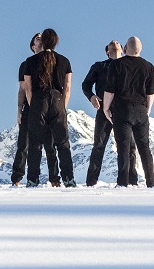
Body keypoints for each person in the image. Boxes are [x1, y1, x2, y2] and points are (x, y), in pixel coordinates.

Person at [21, 28, 77, 187]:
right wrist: (62, 107)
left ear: (42, 42)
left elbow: (27, 89)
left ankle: (33, 179)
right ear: (56, 42)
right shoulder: (65, 61)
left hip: (38, 100)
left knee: (35, 143)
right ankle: (68, 179)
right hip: (57, 100)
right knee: (63, 143)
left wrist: (33, 106)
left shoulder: (30, 61)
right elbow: (67, 88)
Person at [81, 40, 138, 187]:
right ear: (107, 52)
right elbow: (86, 84)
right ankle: (91, 182)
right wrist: (91, 96)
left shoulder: (129, 65)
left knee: (129, 146)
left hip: (124, 110)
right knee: (99, 145)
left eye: (118, 42)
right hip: (103, 110)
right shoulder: (99, 66)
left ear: (123, 50)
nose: (115, 42)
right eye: (112, 43)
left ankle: (132, 181)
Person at [103, 36, 154, 188]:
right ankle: (150, 181)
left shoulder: (116, 64)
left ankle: (122, 182)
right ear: (140, 49)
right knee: (144, 148)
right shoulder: (149, 66)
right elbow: (150, 93)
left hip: (122, 110)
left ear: (126, 48)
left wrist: (106, 108)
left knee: (123, 148)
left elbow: (110, 90)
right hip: (141, 110)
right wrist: (147, 110)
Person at [11, 32, 60, 187]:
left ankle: (54, 179)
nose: (41, 40)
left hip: (48, 108)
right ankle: (17, 178)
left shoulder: (54, 61)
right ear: (33, 46)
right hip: (29, 108)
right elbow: (22, 89)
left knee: (50, 145)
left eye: (42, 38)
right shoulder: (26, 64)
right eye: (38, 38)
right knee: (23, 143)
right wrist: (19, 110)